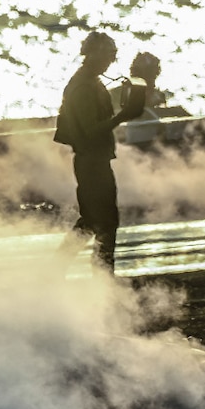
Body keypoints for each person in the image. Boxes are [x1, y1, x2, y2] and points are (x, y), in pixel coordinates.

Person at [53, 31, 144, 273]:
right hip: (91, 162)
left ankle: (64, 269)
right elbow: (91, 130)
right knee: (102, 222)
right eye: (107, 57)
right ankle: (97, 274)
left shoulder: (91, 82)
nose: (110, 62)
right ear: (92, 55)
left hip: (96, 160)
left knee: (95, 221)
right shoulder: (83, 87)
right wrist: (122, 116)